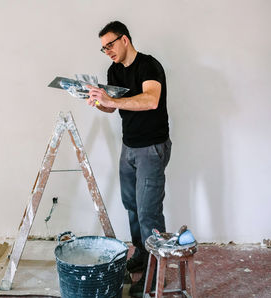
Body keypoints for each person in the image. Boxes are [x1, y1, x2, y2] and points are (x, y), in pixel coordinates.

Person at [87, 21, 172, 297]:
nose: (107, 51)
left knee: (149, 212)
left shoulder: (149, 66)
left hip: (151, 147)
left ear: (124, 40)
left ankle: (156, 271)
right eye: (103, 48)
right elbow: (112, 109)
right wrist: (99, 102)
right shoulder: (113, 70)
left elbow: (151, 100)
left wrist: (113, 102)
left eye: (110, 45)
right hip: (130, 147)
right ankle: (143, 254)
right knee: (132, 207)